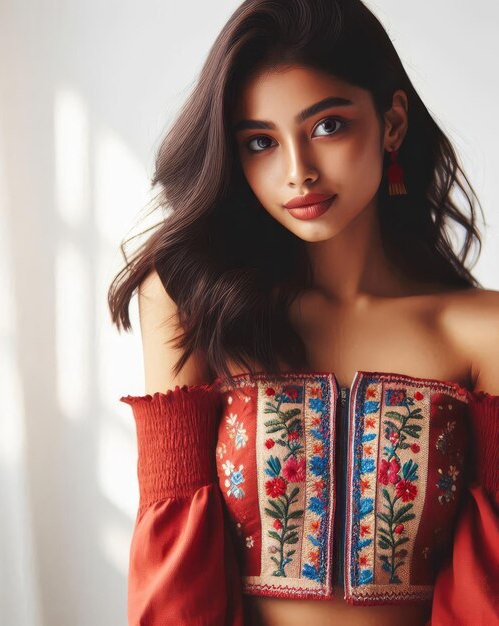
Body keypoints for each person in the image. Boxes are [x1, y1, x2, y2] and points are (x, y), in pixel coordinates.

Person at [107, 0, 499, 624]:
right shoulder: (190, 305)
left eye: (327, 127)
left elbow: (492, 583)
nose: (298, 173)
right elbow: (173, 565)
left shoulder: (484, 333)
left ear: (392, 122)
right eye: (260, 142)